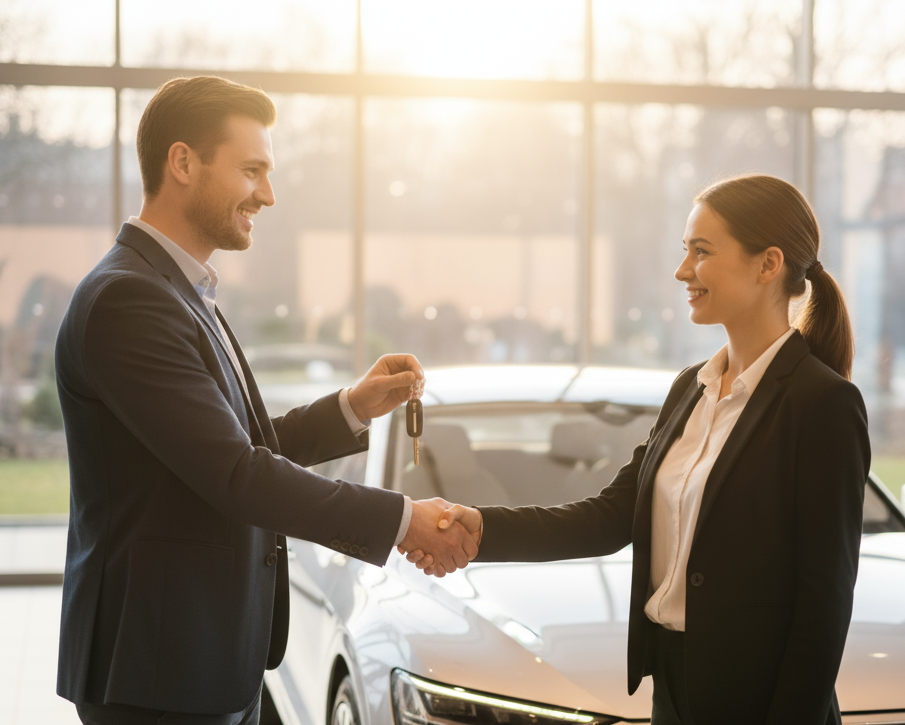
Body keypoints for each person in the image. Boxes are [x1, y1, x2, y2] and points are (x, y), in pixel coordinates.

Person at [55, 75, 476, 725]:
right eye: (252, 170)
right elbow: (236, 474)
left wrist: (353, 407)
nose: (268, 194)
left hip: (201, 657)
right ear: (183, 162)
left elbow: (232, 447)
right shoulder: (128, 300)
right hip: (155, 668)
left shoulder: (178, 290)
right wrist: (401, 520)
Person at [403, 174, 870, 725]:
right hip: (673, 691)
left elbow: (824, 599)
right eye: (684, 251)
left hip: (760, 701)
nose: (682, 271)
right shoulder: (690, 388)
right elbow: (609, 516)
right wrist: (479, 527)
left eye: (702, 252)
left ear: (768, 264)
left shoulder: (822, 404)